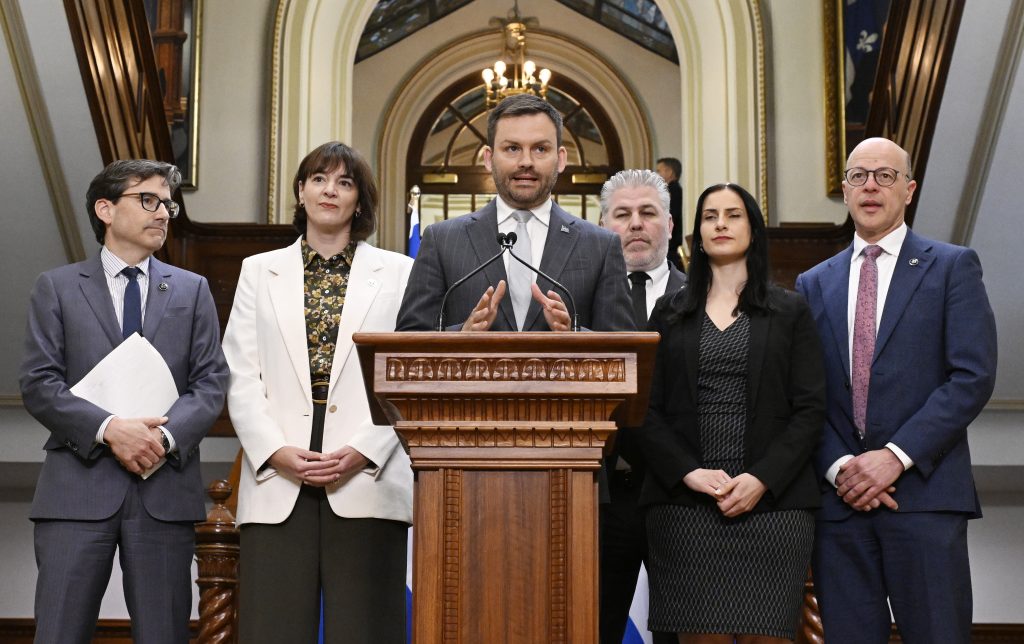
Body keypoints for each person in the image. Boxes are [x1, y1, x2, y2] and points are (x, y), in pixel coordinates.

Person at [795, 137, 997, 644]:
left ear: (908, 190)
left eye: (885, 176)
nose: (871, 186)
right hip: (841, 504)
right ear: (845, 190)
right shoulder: (812, 283)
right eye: (858, 176)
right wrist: (842, 467)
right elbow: (804, 392)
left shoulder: (952, 266)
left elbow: (971, 376)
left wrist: (894, 457)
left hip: (926, 498)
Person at [20, 160, 228, 643]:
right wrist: (111, 429)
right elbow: (39, 382)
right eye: (148, 200)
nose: (163, 213)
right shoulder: (57, 287)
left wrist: (162, 438)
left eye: (168, 204)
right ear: (106, 209)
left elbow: (211, 382)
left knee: (164, 635)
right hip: (75, 490)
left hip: (164, 490)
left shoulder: (192, 289)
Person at [222, 141, 414, 643]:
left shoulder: (400, 273)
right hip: (277, 476)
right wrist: (273, 450)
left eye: (345, 182)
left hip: (368, 473)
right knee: (272, 631)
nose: (330, 190)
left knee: (367, 631)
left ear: (359, 201)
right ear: (301, 191)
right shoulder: (258, 270)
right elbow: (240, 373)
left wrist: (366, 448)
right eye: (319, 179)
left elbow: (407, 375)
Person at [638, 183, 826, 643]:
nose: (720, 224)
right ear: (697, 235)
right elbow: (645, 409)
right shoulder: (669, 312)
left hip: (774, 507)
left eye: (733, 215)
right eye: (710, 216)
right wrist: (688, 472)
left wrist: (761, 479)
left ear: (753, 230)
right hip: (685, 508)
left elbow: (810, 409)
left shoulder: (790, 310)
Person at [396, 93, 634, 332]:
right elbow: (409, 339)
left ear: (561, 159)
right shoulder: (442, 240)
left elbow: (624, 347)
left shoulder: (601, 246)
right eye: (512, 148)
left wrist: (574, 334)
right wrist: (461, 335)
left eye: (540, 148)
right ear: (489, 158)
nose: (526, 161)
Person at [597, 169, 686, 644]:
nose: (635, 224)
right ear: (602, 225)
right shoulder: (575, 300)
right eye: (623, 214)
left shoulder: (703, 298)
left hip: (679, 495)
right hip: (601, 495)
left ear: (669, 225)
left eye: (648, 213)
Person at [656, 157, 684, 271]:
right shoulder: (673, 190)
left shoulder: (672, 191)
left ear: (670, 172)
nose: (656, 174)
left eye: (659, 171)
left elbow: (671, 216)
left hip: (671, 245)